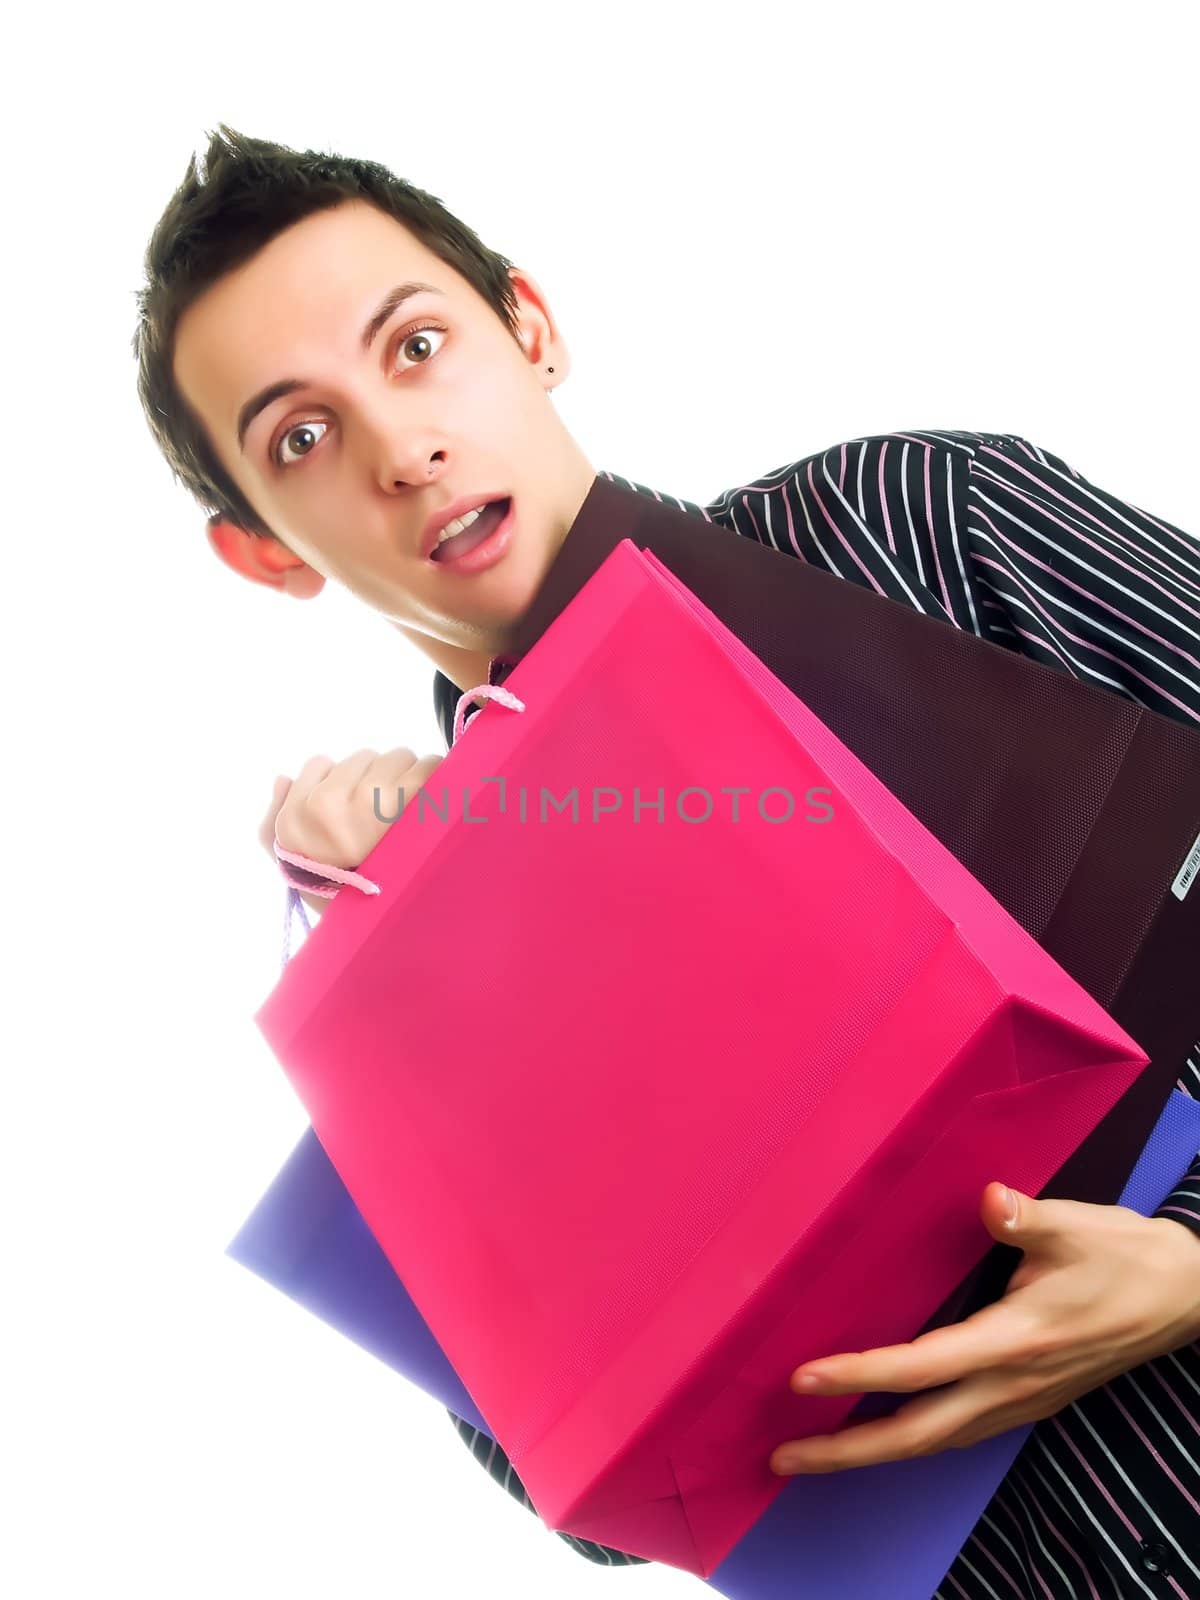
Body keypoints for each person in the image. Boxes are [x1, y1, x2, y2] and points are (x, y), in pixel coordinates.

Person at [133, 123, 1200, 1598]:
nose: (400, 448)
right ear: (266, 549)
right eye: (299, 439)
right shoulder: (394, 955)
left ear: (531, 326)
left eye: (419, 345)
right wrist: (386, 996)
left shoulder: (916, 526)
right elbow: (590, 1489)